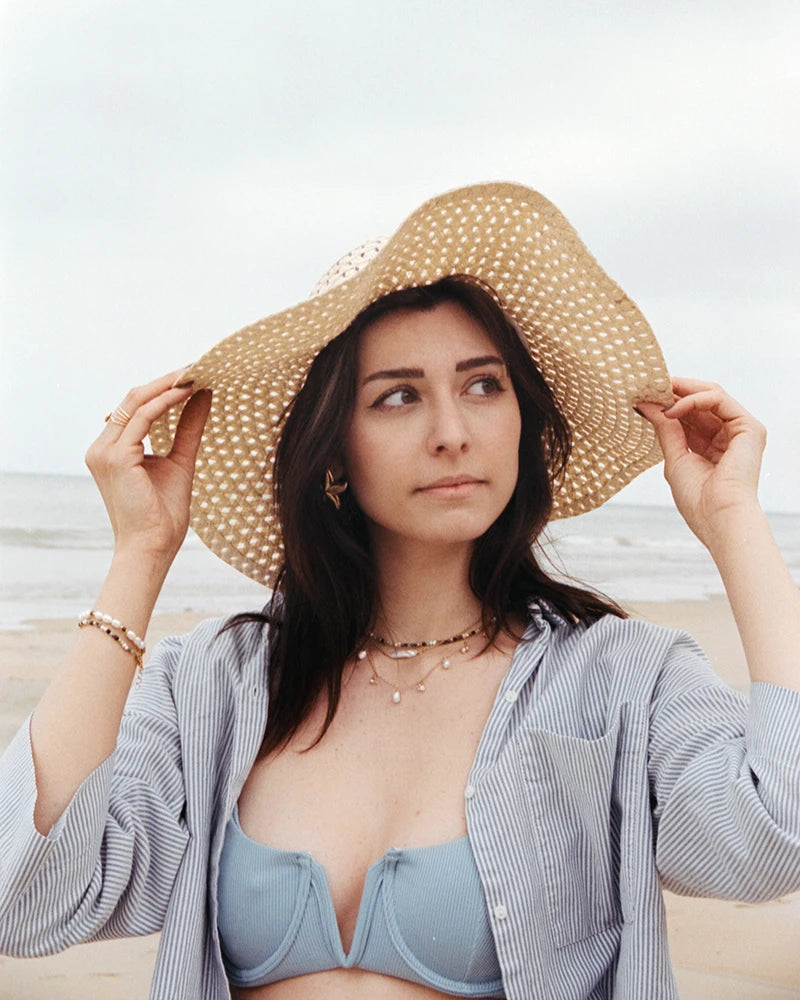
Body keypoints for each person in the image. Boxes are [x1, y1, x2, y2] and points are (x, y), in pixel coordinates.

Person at [0, 182, 798, 1000]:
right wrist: (141, 553)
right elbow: (22, 899)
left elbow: (779, 830)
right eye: (398, 396)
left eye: (483, 386)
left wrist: (734, 522)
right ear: (334, 448)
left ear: (523, 419)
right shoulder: (216, 684)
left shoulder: (618, 678)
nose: (452, 431)